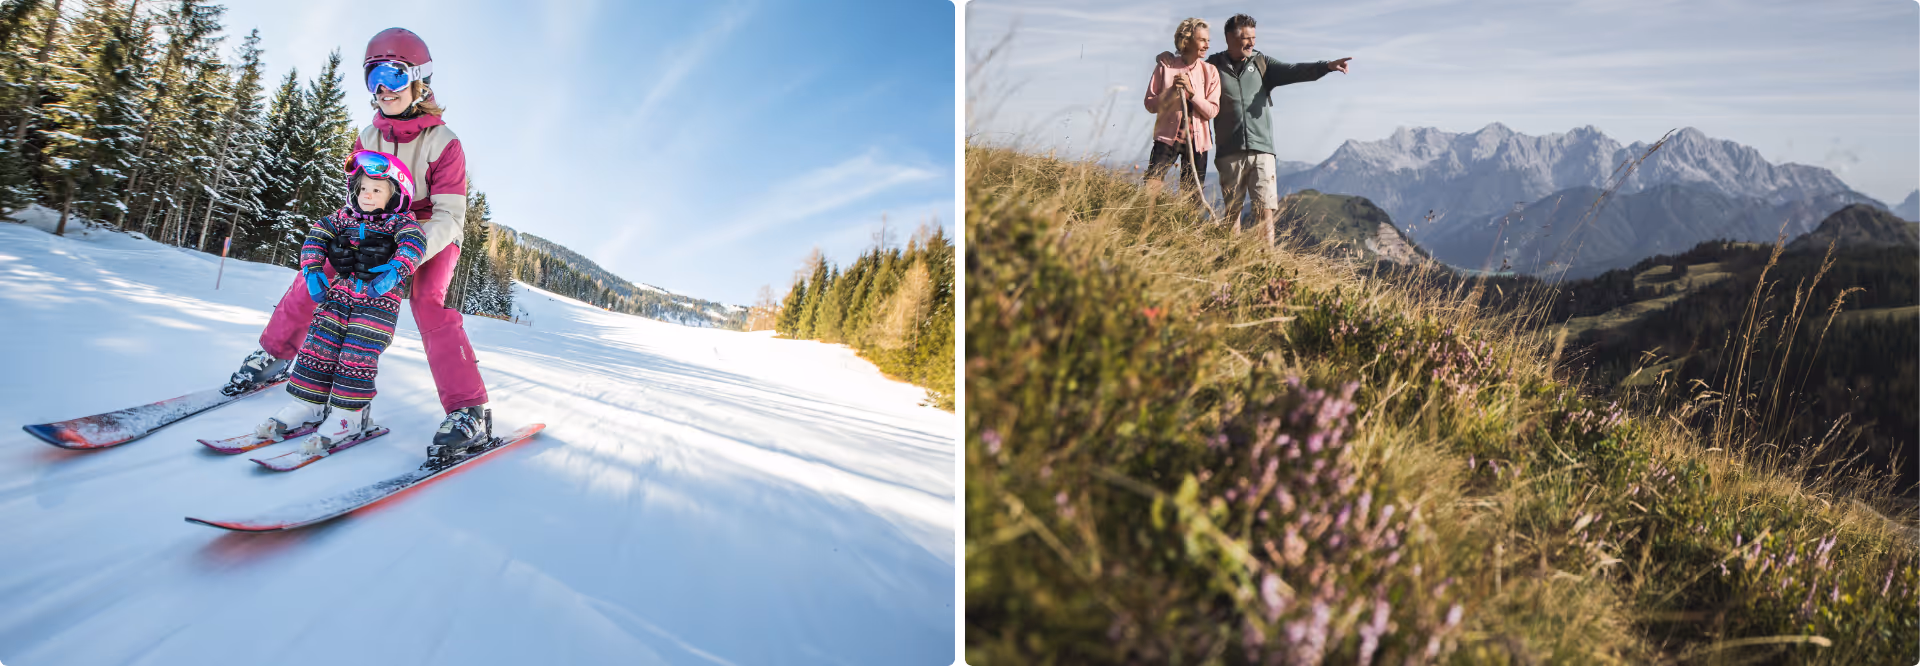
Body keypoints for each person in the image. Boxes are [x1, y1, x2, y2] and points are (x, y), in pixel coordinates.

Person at [225, 27, 491, 456]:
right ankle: (274, 354)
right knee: (317, 273)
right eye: (373, 78)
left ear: (419, 80)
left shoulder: (445, 143)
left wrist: (405, 251)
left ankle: (468, 409)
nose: (383, 89)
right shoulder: (369, 137)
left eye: (394, 75)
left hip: (429, 231)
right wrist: (344, 236)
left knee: (428, 302)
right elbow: (358, 195)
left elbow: (449, 215)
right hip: (374, 224)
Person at [258, 151, 425, 455]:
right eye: (362, 188)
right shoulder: (342, 218)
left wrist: (396, 269)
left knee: (356, 356)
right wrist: (312, 269)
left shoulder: (400, 224)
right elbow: (316, 235)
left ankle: (349, 416)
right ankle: (306, 404)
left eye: (377, 190)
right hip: (337, 296)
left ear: (395, 196)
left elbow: (414, 243)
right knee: (317, 347)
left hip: (377, 302)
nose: (367, 195)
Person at [1206, 13, 1353, 244]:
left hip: (1262, 150)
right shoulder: (1212, 66)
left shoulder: (1262, 63)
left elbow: (1294, 70)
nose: (1252, 43)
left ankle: (1267, 262)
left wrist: (1326, 66)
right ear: (1229, 38)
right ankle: (1231, 259)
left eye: (1254, 38)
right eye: (1246, 38)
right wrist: (1168, 58)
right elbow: (1188, 69)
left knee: (1265, 213)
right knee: (1232, 213)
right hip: (1229, 151)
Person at [1142, 18, 1221, 200]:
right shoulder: (1165, 66)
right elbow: (1150, 104)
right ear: (1186, 41)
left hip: (1198, 143)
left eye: (1208, 40)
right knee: (1151, 187)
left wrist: (1192, 93)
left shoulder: (1210, 72)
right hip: (1166, 139)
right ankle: (1148, 217)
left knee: (1192, 198)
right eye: (1202, 40)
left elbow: (1212, 111)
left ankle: (1185, 220)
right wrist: (1171, 93)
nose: (1207, 45)